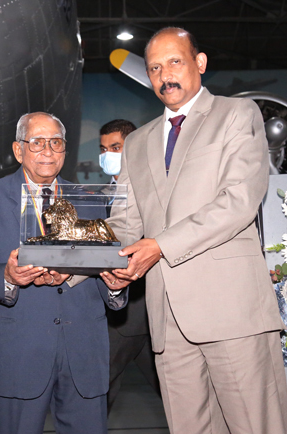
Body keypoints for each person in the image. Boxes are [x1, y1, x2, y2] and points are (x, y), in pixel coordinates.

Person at [104, 28, 287, 434]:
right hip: (167, 321)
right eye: (154, 67)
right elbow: (126, 220)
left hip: (233, 313)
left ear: (199, 63)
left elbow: (238, 201)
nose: (164, 75)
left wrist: (160, 246)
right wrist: (99, 254)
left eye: (174, 62)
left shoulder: (237, 114)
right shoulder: (137, 142)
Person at [0, 112, 128, 434]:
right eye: (37, 142)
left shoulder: (91, 203)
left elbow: (108, 268)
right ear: (19, 150)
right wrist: (7, 276)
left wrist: (116, 288)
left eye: (56, 143)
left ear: (65, 150)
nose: (47, 151)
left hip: (84, 352)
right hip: (16, 353)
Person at [98, 119, 160, 413]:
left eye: (115, 147)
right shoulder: (95, 195)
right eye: (103, 148)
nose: (108, 155)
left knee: (181, 398)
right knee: (99, 397)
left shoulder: (154, 189)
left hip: (147, 312)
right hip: (112, 314)